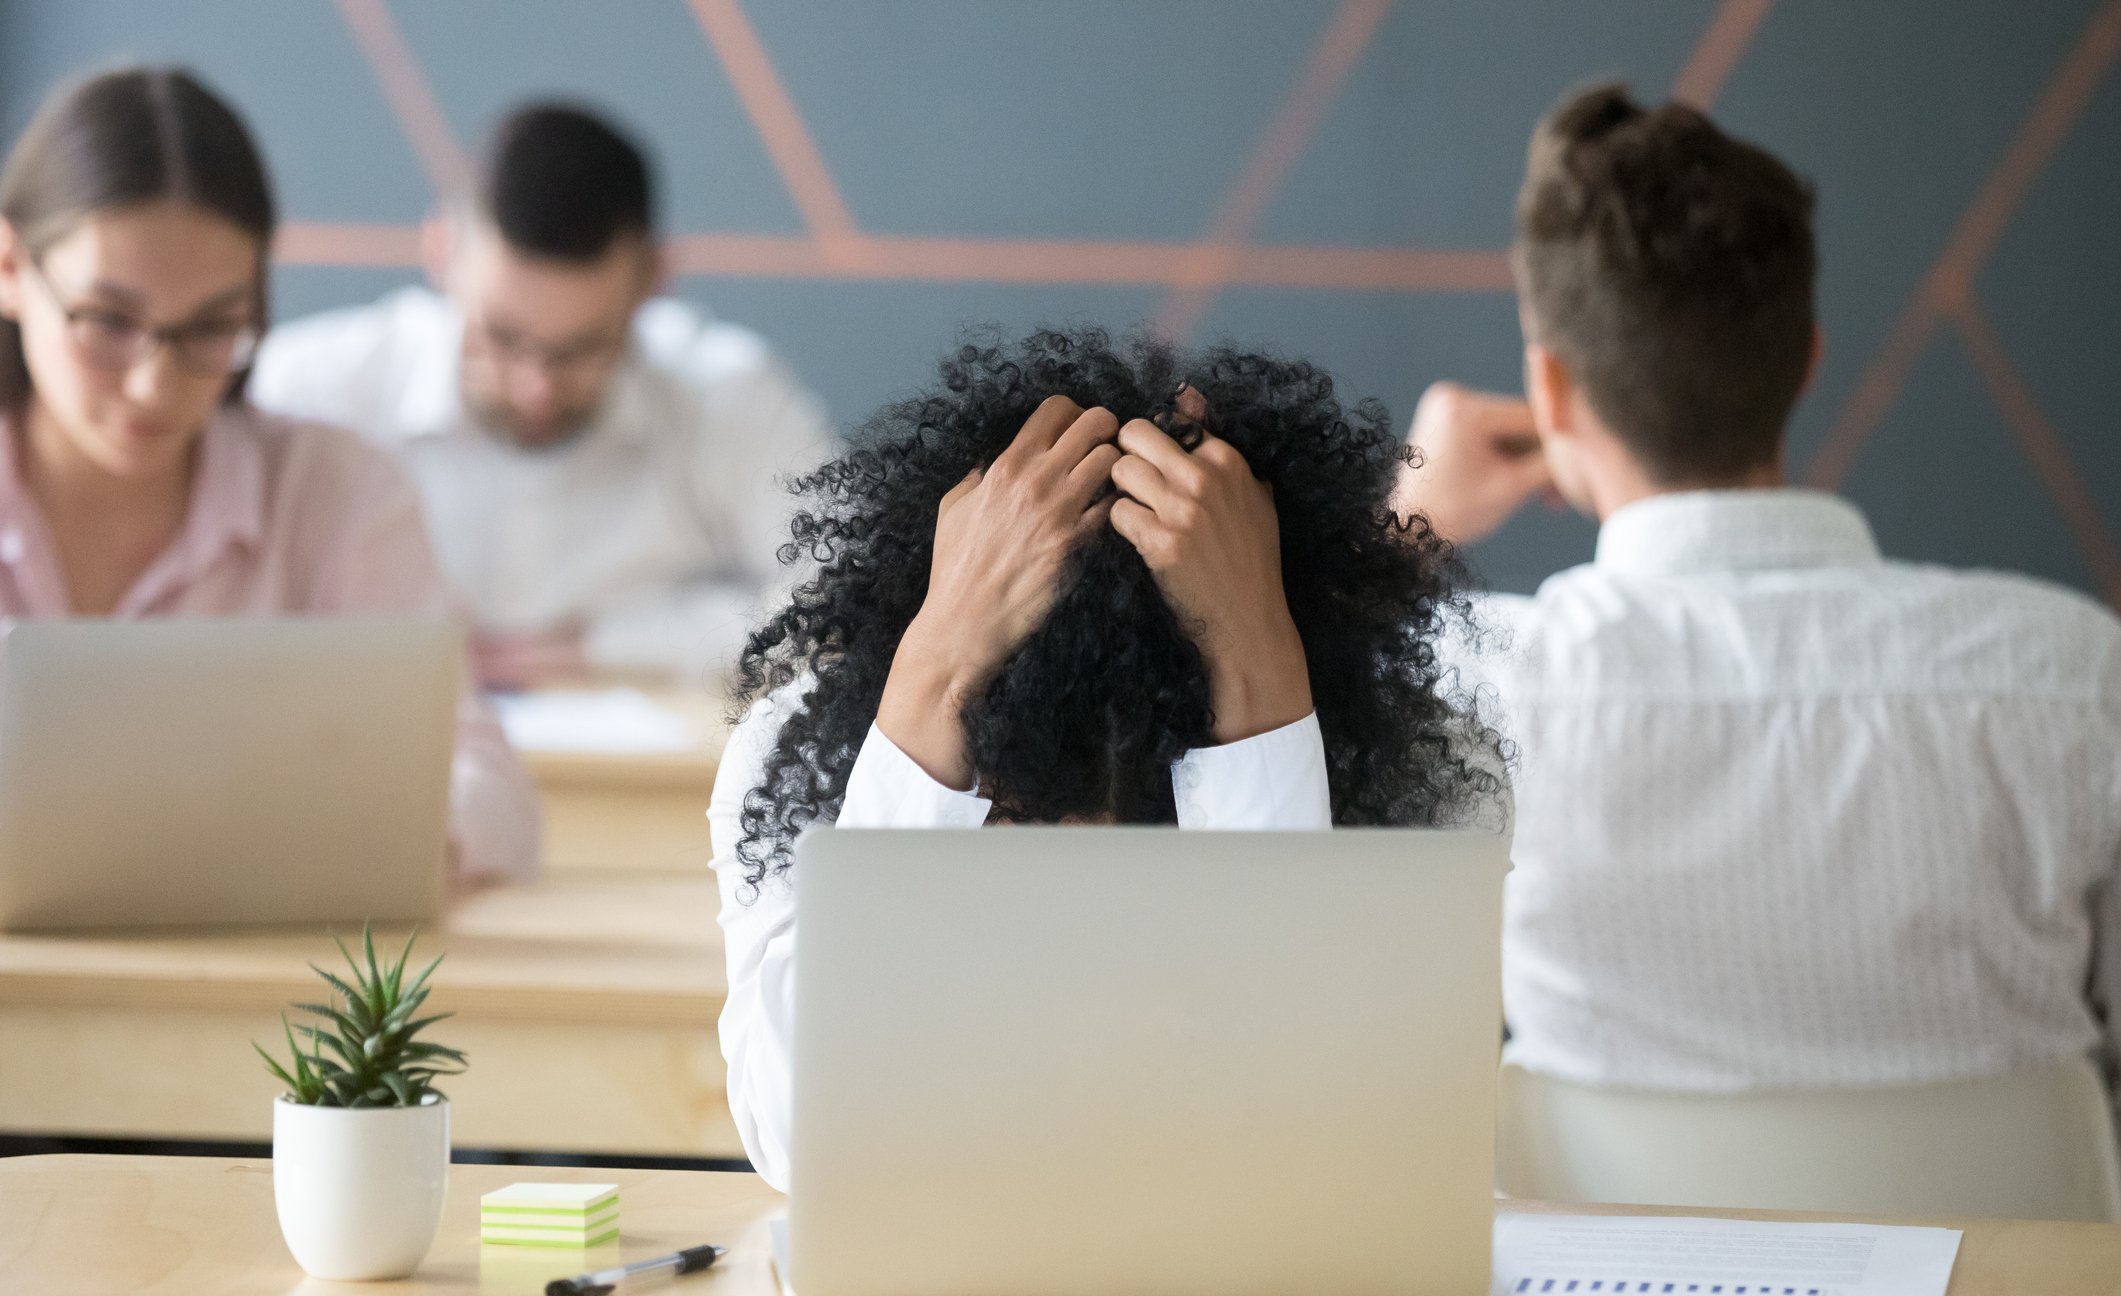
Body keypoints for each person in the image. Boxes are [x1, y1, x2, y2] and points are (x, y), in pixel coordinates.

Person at [1401, 84, 2121, 1119]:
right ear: (1806, 364)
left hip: (1596, 1288)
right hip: (2021, 1285)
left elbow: (1264, 741)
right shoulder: (2076, 676)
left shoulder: (1485, 688)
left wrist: (1404, 520)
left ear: (1551, 392)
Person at [708, 327, 1512, 1189]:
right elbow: (806, 1140)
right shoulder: (810, 754)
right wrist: (933, 674)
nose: (1083, 842)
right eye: (1021, 809)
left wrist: (1257, 673)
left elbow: (1335, 1152)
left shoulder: (1424, 768)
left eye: (1153, 806)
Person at [0, 66, 538, 885]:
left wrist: (347, 841)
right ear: (9, 267)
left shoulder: (338, 494)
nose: (154, 383)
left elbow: (491, 793)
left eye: (211, 328)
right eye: (108, 321)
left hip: (272, 992)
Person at [251, 103, 834, 688]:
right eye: (501, 338)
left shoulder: (728, 395)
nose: (537, 389)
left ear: (655, 279)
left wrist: (612, 647)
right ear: (439, 253)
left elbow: (849, 603)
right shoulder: (308, 389)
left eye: (583, 348)